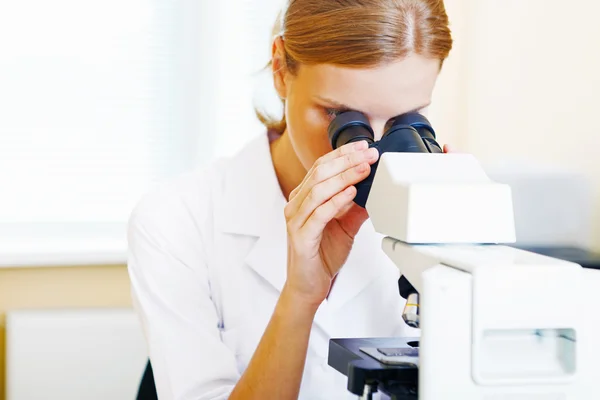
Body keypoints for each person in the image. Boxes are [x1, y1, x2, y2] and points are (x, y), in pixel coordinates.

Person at [127, 0, 453, 399]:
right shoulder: (177, 220)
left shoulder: (436, 206)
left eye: (407, 118)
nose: (374, 150)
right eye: (341, 116)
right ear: (281, 70)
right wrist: (301, 294)